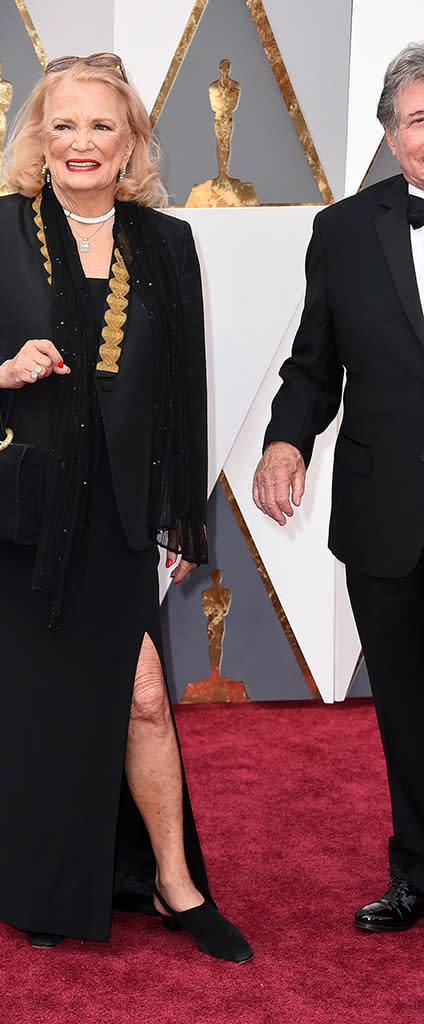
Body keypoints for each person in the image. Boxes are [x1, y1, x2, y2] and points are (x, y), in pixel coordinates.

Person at [0, 52, 251, 960]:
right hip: (27, 514)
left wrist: (184, 514)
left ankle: (174, 886)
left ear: (131, 139)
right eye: (63, 124)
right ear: (39, 136)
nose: (81, 142)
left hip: (121, 515)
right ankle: (49, 888)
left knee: (144, 697)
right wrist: (0, 368)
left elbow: (184, 391)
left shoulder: (166, 242)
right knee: (41, 704)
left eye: (101, 125)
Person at [253, 41, 424, 933]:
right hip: (388, 508)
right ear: (392, 135)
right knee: (403, 705)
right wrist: (287, 441)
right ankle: (417, 873)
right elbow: (313, 365)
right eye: (419, 119)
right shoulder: (344, 230)